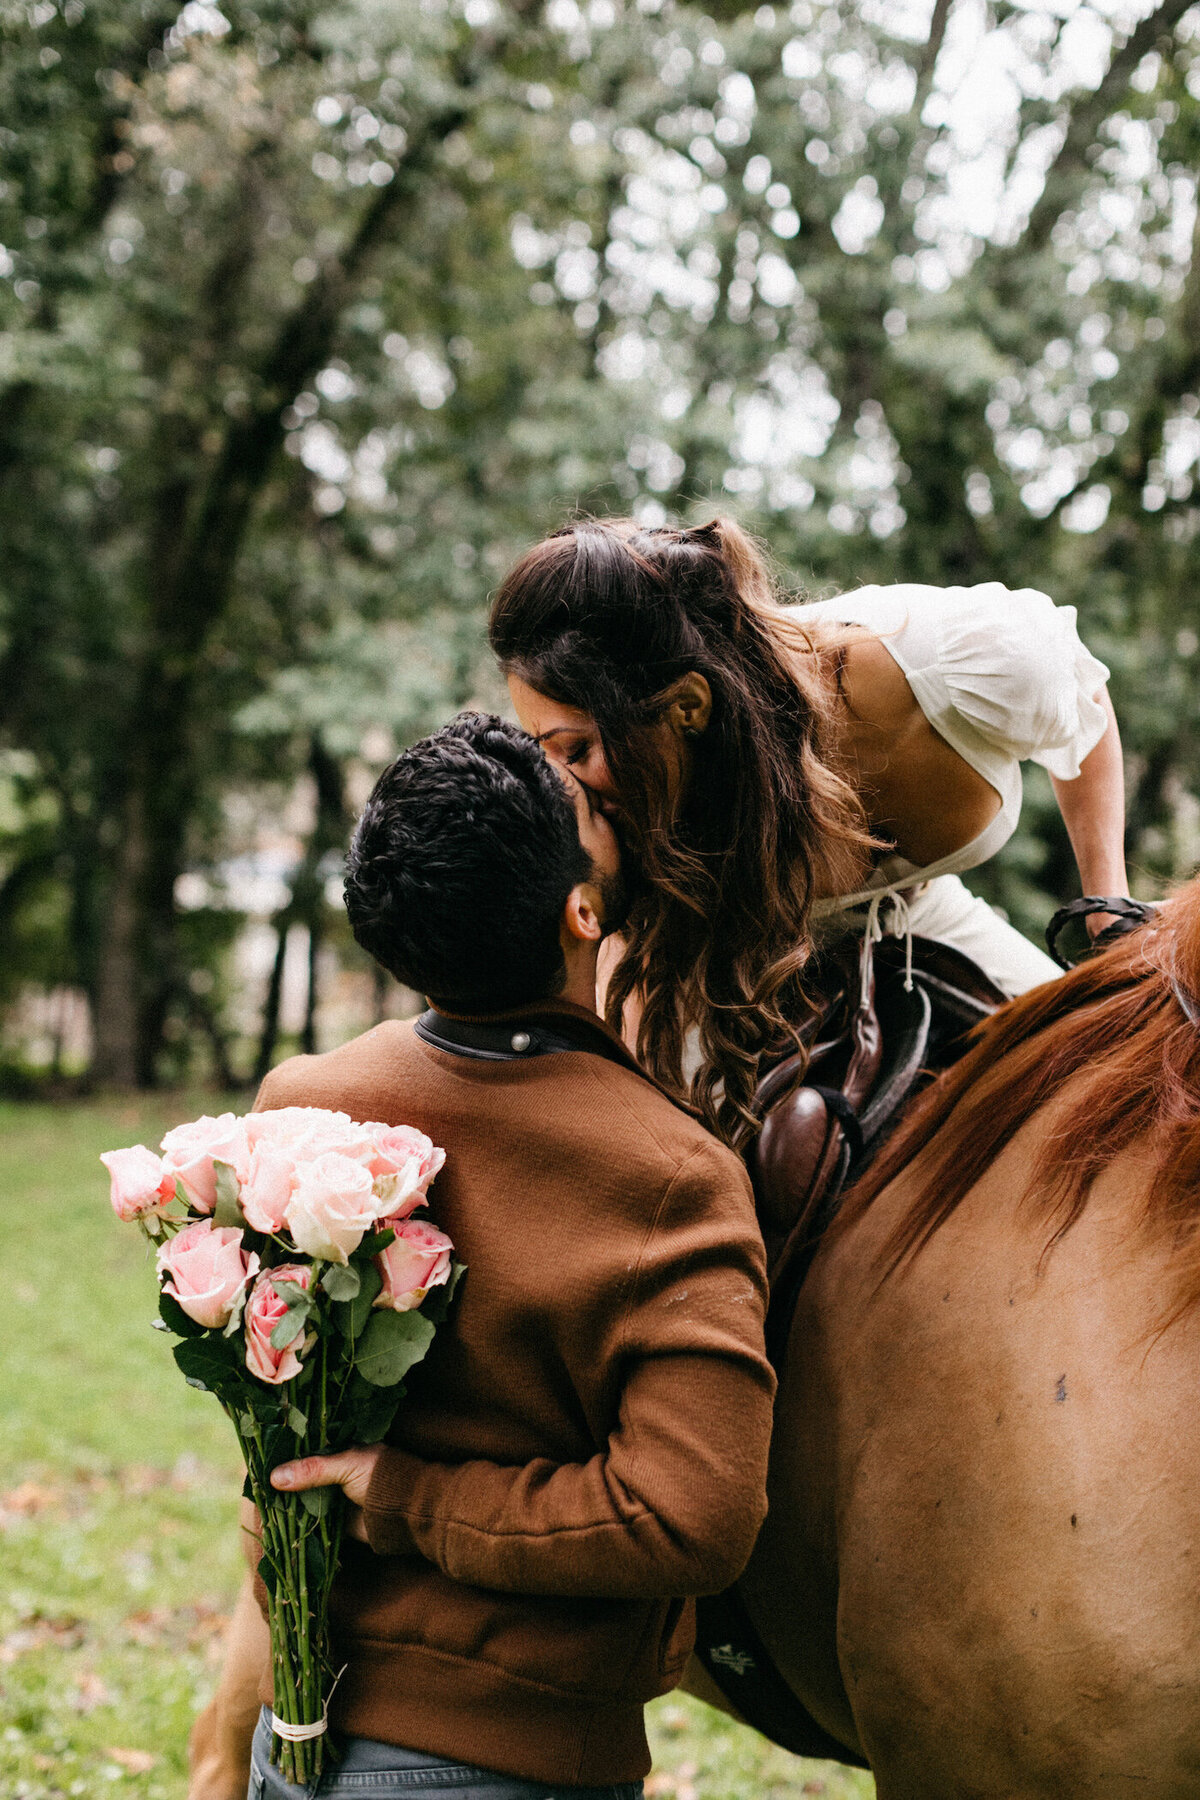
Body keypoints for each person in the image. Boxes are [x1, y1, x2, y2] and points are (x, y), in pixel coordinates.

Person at [209, 712, 775, 1800]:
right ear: (581, 910)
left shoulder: (298, 1107)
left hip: (293, 1738)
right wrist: (410, 1499)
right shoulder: (670, 1177)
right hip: (515, 1767)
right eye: (593, 818)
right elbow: (689, 1518)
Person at [489, 517, 1128, 1147]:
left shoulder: (956, 663)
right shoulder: (631, 806)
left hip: (920, 925)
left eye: (576, 749)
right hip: (719, 971)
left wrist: (1111, 914)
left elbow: (1086, 703)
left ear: (688, 706)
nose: (567, 783)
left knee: (1114, 1081)